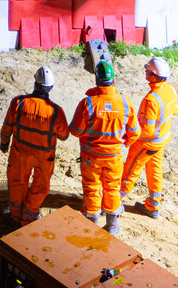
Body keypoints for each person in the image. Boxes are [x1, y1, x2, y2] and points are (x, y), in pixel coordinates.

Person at [69, 59, 136, 235]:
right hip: (114, 157)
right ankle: (112, 225)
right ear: (113, 79)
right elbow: (135, 132)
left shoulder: (88, 103)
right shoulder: (125, 102)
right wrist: (124, 145)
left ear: (97, 80)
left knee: (92, 187)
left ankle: (91, 224)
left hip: (92, 157)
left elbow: (75, 131)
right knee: (112, 187)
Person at [0, 66, 70, 226]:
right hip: (43, 158)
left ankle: (15, 216)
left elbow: (7, 126)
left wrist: (4, 143)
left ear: (35, 83)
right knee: (40, 186)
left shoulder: (18, 103)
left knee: (17, 183)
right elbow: (64, 136)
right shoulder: (56, 111)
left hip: (20, 153)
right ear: (51, 87)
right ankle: (29, 217)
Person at [121, 56, 178, 220]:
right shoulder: (170, 90)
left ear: (154, 76)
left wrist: (129, 137)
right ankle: (153, 205)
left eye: (148, 71)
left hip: (146, 144)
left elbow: (146, 131)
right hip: (161, 141)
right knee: (155, 171)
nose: (146, 73)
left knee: (130, 171)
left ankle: (115, 203)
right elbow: (174, 111)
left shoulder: (151, 100)